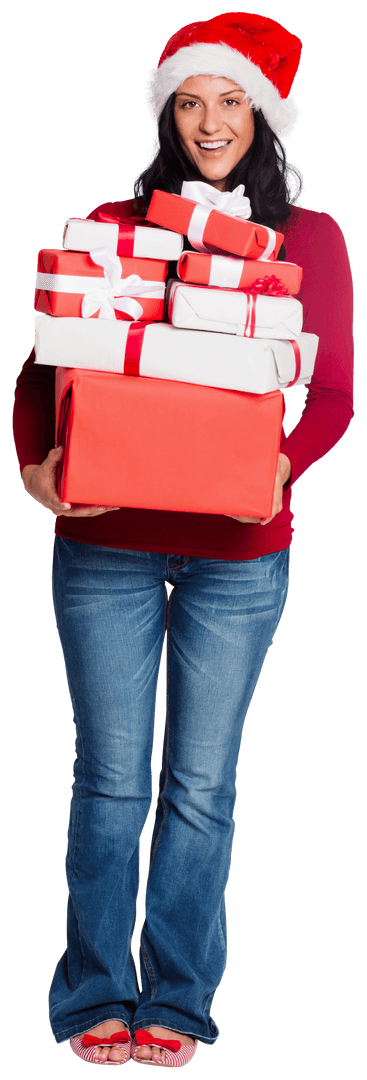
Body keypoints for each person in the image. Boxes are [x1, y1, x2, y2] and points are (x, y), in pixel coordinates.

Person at [13, 11, 354, 1070]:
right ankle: (92, 995)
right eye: (191, 100)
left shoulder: (309, 239)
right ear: (167, 111)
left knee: (201, 784)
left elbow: (333, 391)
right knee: (110, 778)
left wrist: (277, 468)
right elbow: (43, 367)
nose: (210, 120)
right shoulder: (113, 224)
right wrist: (35, 462)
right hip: (106, 539)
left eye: (232, 99)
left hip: (241, 551)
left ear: (265, 116)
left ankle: (180, 998)